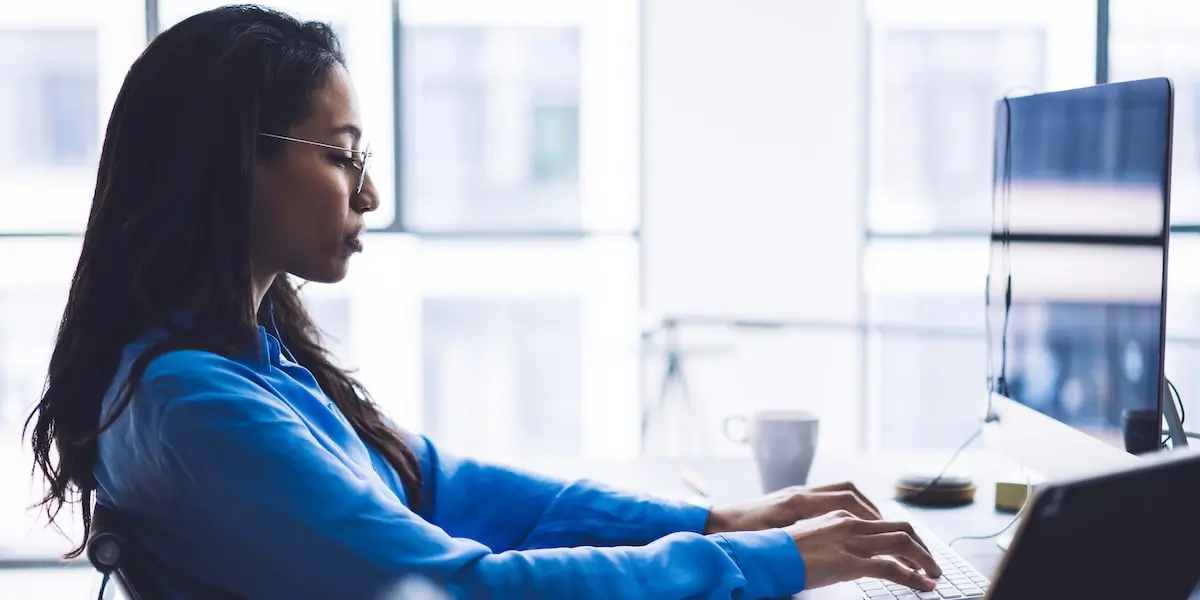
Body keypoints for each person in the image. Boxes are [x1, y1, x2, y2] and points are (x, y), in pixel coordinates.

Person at [24, 5, 941, 599]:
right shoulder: (195, 405)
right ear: (236, 163)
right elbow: (459, 591)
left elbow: (445, 484)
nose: (369, 194)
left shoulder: (250, 359)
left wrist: (716, 521)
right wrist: (769, 564)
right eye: (342, 155)